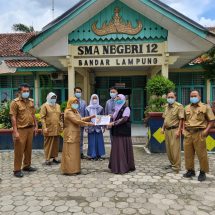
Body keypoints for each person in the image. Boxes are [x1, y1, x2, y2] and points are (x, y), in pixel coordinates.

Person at [183, 90, 215, 181]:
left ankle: (202, 172)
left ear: (199, 97)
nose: (193, 98)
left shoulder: (205, 107)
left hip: (199, 133)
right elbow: (184, 120)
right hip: (188, 133)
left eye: (195, 96)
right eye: (191, 96)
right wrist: (183, 130)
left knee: (202, 154)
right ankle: (190, 170)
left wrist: (206, 131)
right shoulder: (186, 108)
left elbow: (212, 120)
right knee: (188, 154)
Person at [10, 83, 38, 178]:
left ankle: (27, 165)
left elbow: (33, 114)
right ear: (20, 92)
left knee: (28, 149)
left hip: (30, 128)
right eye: (24, 91)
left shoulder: (31, 102)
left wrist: (36, 126)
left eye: (28, 91)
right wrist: (15, 131)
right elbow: (13, 117)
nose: (26, 93)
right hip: (20, 129)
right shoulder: (15, 102)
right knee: (19, 150)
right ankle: (17, 170)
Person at [61, 97, 95, 175]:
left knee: (75, 153)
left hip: (76, 134)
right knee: (70, 153)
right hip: (70, 134)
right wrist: (88, 124)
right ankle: (69, 170)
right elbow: (76, 121)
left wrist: (90, 117)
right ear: (70, 103)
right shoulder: (68, 111)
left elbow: (80, 118)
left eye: (77, 103)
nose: (75, 104)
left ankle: (75, 169)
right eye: (74, 103)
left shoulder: (75, 111)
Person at [108, 94, 135, 174]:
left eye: (119, 98)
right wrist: (112, 116)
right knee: (117, 149)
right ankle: (116, 166)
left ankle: (122, 167)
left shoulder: (126, 108)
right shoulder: (117, 108)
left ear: (123, 100)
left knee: (121, 149)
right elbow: (117, 116)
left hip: (123, 133)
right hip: (117, 131)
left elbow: (124, 119)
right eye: (117, 98)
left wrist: (113, 123)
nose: (117, 99)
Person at [161, 91, 184, 173]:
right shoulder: (166, 106)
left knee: (175, 149)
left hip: (175, 130)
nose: (170, 99)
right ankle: (172, 164)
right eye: (168, 97)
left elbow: (181, 119)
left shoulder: (179, 106)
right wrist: (162, 128)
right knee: (169, 149)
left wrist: (179, 130)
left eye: (171, 97)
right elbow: (165, 118)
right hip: (167, 130)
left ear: (175, 97)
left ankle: (176, 167)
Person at [40, 92, 62, 165]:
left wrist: (61, 125)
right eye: (52, 98)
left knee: (56, 143)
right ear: (48, 98)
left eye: (54, 98)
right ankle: (47, 158)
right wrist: (44, 128)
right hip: (48, 128)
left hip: (57, 128)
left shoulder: (58, 106)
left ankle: (55, 157)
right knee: (48, 143)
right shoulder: (45, 106)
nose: (53, 99)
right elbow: (42, 118)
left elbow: (60, 117)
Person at [85, 94, 105, 160]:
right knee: (91, 141)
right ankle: (92, 155)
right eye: (93, 98)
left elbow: (103, 118)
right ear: (91, 99)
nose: (94, 100)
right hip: (91, 127)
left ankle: (99, 155)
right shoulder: (87, 108)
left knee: (99, 141)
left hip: (98, 128)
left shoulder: (100, 108)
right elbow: (86, 118)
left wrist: (103, 127)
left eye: (95, 98)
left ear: (98, 99)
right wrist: (86, 127)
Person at [74, 87, 87, 159]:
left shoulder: (84, 102)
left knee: (81, 139)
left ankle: (81, 153)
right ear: (74, 93)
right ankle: (75, 152)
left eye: (79, 92)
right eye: (77, 92)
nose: (78, 93)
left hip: (81, 123)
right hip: (74, 123)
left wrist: (85, 123)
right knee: (74, 139)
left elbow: (85, 113)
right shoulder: (72, 101)